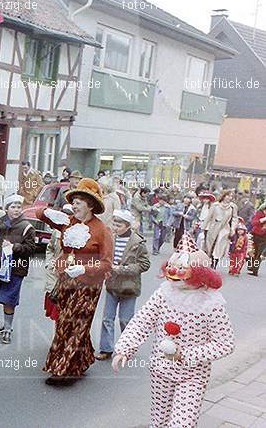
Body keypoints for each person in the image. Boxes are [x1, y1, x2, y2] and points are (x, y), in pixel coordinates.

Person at [113, 235, 234, 428]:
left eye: (181, 268)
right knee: (159, 421)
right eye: (171, 266)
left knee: (183, 424)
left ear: (199, 273)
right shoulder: (164, 292)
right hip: (161, 369)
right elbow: (143, 320)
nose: (173, 272)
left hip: (193, 375)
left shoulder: (212, 304)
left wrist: (185, 354)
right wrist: (125, 348)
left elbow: (225, 343)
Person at [39, 177, 113, 386]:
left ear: (90, 205)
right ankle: (83, 358)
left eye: (79, 203)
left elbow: (107, 264)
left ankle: (64, 371)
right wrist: (47, 213)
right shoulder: (69, 222)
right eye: (74, 202)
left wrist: (85, 268)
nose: (74, 206)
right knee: (64, 323)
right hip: (65, 281)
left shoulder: (102, 230)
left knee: (77, 325)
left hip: (88, 285)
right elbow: (38, 214)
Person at [95, 209, 150, 361]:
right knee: (107, 318)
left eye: (119, 225)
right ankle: (106, 349)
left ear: (127, 226)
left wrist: (124, 269)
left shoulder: (138, 242)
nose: (115, 228)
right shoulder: (110, 238)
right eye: (114, 224)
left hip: (129, 287)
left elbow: (145, 264)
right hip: (112, 285)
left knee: (126, 320)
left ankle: (126, 349)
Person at [0, 194, 36, 344]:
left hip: (16, 268)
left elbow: (31, 248)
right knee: (3, 298)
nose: (16, 210)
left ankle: (8, 330)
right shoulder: (0, 222)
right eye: (13, 207)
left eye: (18, 207)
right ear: (6, 208)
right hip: (2, 266)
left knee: (9, 298)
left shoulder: (27, 227)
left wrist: (14, 247)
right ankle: (6, 323)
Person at [43, 203, 74, 322]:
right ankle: (56, 337)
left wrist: (68, 265)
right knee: (55, 310)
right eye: (64, 214)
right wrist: (49, 262)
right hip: (53, 275)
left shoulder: (78, 233)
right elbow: (50, 248)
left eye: (69, 215)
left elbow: (74, 254)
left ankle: (60, 338)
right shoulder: (56, 232)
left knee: (65, 311)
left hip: (67, 275)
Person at [203, 190, 238, 268]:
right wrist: (204, 227)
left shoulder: (233, 207)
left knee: (219, 246)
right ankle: (210, 260)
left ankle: (214, 264)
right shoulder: (215, 205)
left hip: (224, 229)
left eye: (231, 196)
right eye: (228, 195)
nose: (229, 198)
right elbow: (209, 217)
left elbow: (235, 219)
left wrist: (233, 229)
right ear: (224, 196)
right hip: (213, 227)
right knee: (210, 245)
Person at [248, 201, 266, 276]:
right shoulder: (259, 213)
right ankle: (251, 267)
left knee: (259, 254)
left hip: (264, 237)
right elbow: (253, 222)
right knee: (252, 252)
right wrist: (263, 219)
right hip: (255, 234)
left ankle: (255, 270)